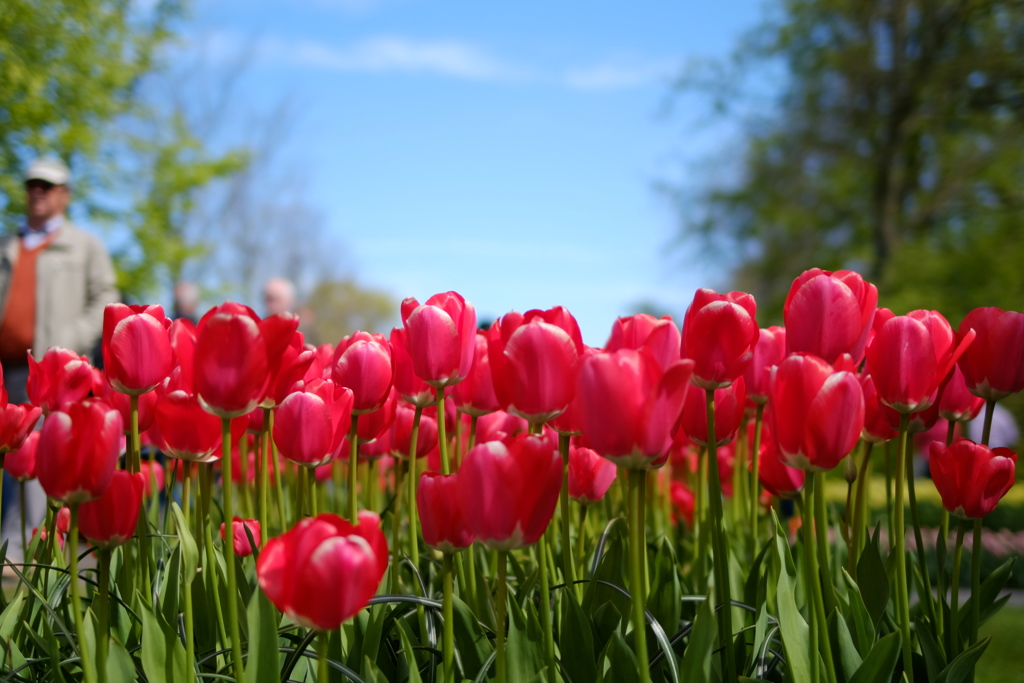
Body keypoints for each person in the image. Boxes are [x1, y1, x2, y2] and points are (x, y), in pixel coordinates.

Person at [0, 156, 118, 561]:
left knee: (38, 460)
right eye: (32, 184)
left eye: (47, 186)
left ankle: (30, 549)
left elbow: (106, 299)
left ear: (64, 195)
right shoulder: (6, 244)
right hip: (7, 371)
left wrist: (68, 344)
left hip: (54, 375)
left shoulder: (84, 245)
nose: (37, 192)